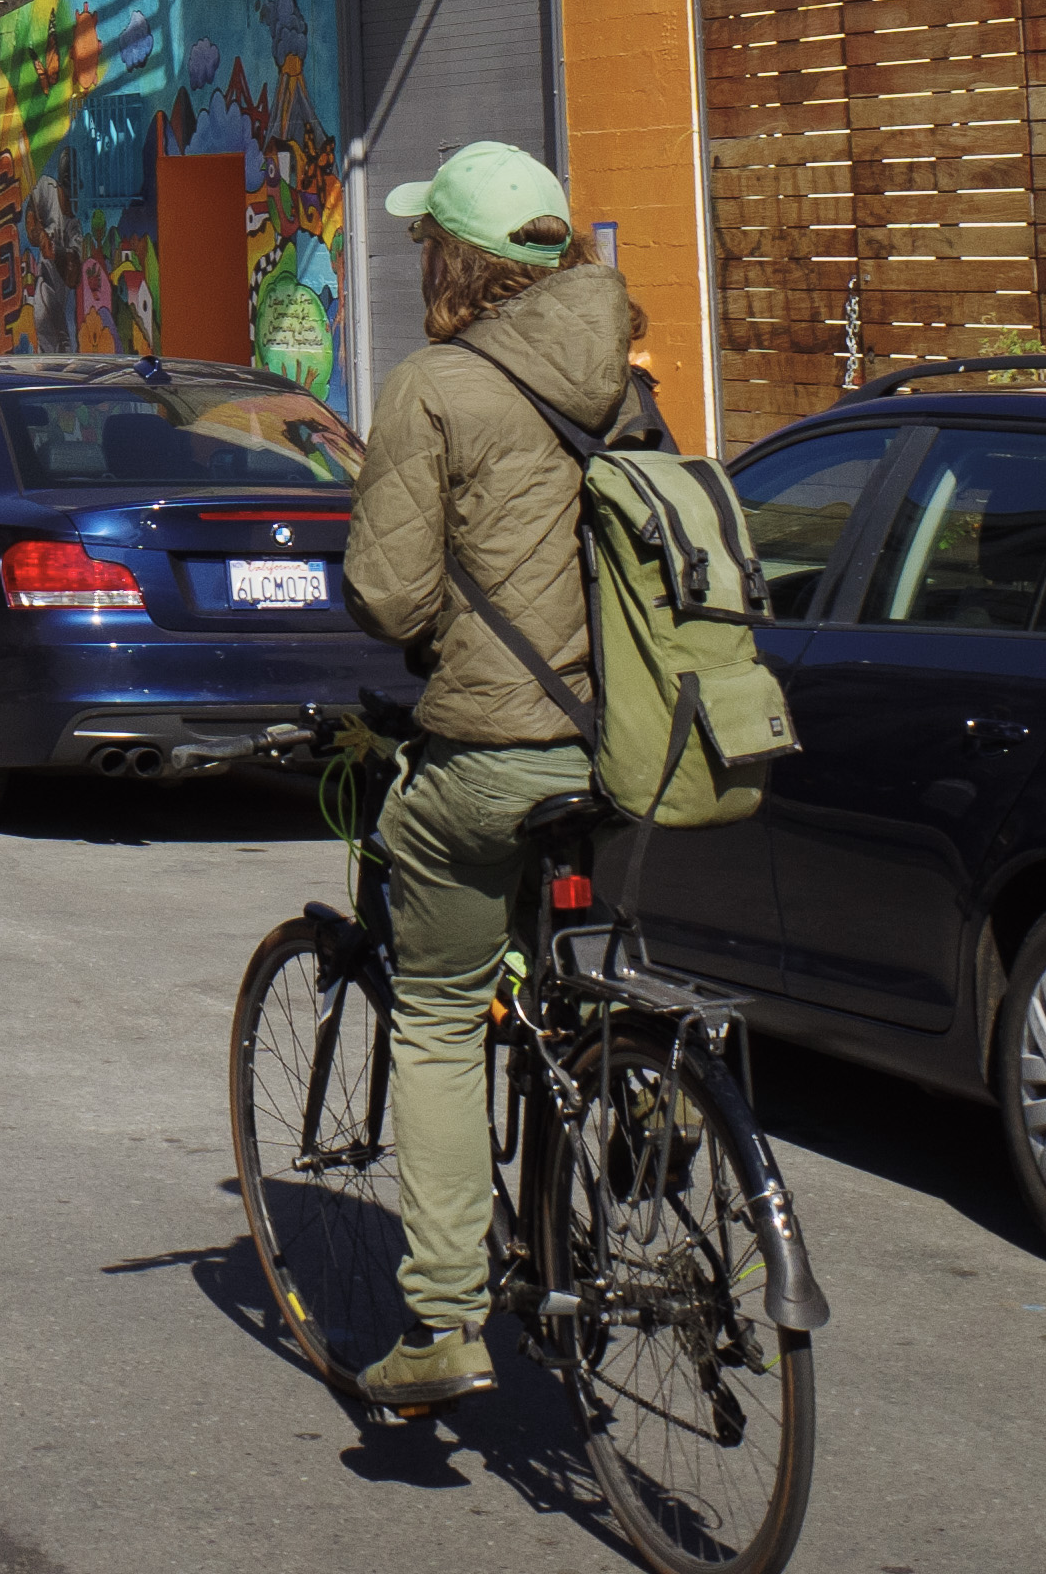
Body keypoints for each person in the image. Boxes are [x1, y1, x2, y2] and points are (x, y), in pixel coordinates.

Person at [325, 139, 653, 1413]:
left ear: (453, 258)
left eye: (423, 242)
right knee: (577, 965)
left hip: (494, 753)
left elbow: (392, 590)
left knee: (442, 1010)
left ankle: (448, 1318)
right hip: (629, 749)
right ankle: (640, 1082)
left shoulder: (436, 388)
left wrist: (399, 614)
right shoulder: (620, 370)